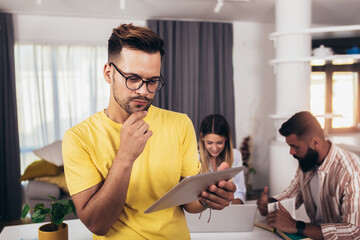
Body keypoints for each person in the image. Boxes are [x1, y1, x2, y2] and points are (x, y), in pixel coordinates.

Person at [62, 23, 236, 240]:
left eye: (152, 81)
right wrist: (125, 156)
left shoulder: (180, 124)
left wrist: (207, 199)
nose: (143, 91)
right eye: (132, 79)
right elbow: (97, 223)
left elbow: (188, 203)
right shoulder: (78, 138)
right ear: (108, 73)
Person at [257, 111, 360, 240]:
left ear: (314, 142)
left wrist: (297, 226)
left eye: (295, 146)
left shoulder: (352, 172)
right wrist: (270, 204)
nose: (291, 152)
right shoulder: (307, 161)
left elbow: (355, 231)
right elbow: (292, 195)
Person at [198, 114, 246, 204]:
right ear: (202, 137)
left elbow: (240, 192)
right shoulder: (195, 158)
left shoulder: (235, 155)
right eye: (210, 143)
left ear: (226, 138)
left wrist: (232, 209)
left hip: (230, 209)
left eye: (219, 142)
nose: (215, 148)